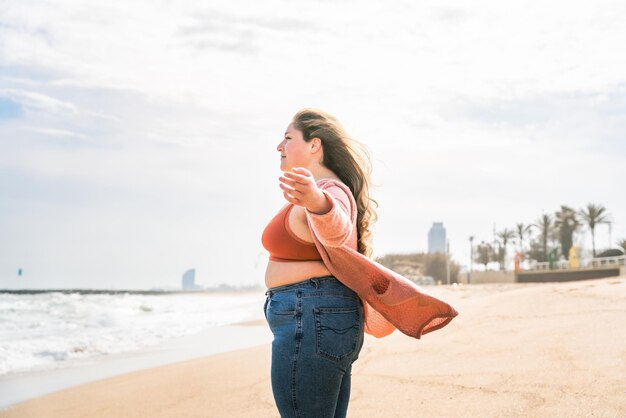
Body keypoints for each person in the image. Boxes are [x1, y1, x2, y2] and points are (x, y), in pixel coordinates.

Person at [262, 109, 458, 418]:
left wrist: (317, 202)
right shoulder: (322, 190)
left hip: (311, 317)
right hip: (316, 317)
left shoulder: (330, 191)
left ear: (315, 145)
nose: (279, 146)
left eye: (288, 138)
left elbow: (337, 230)